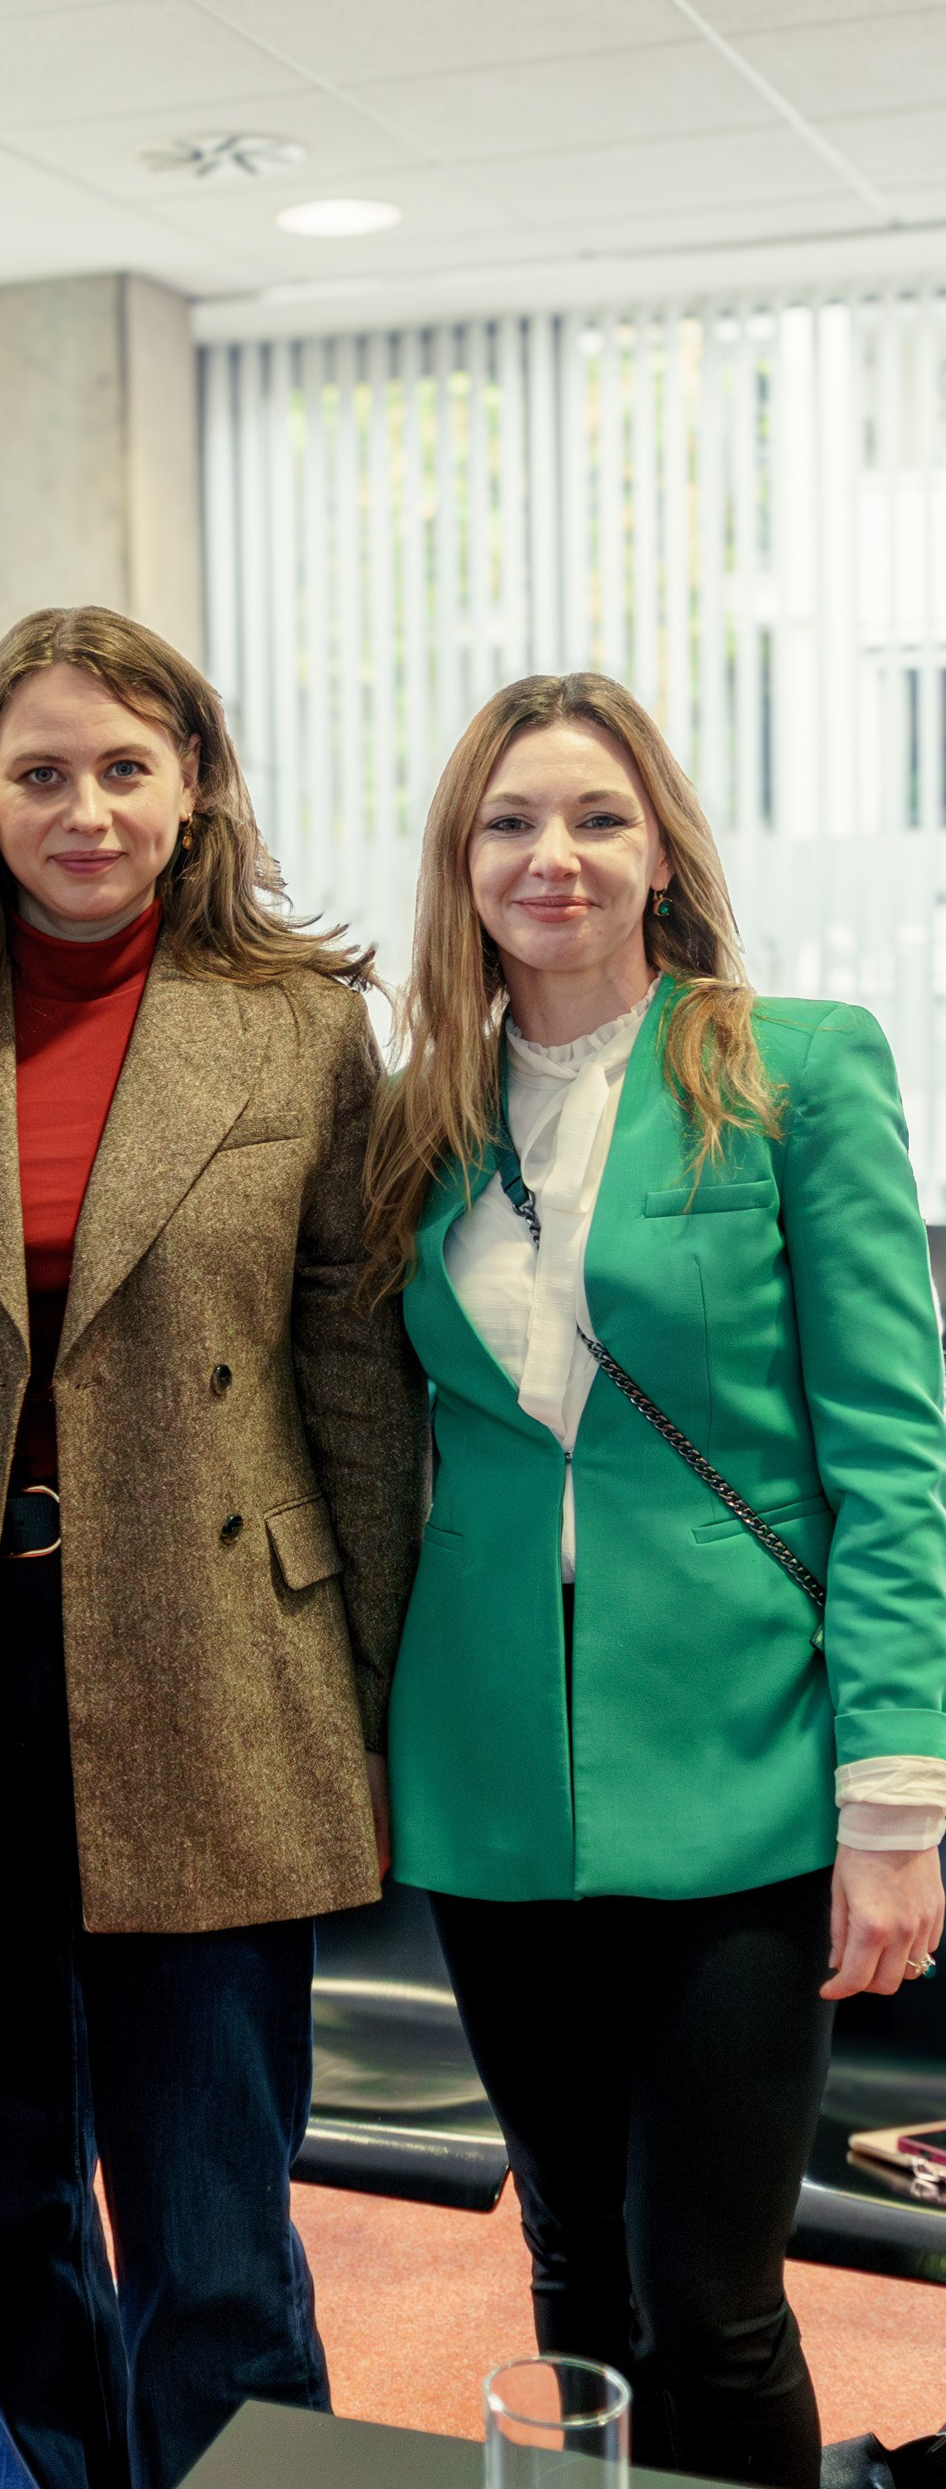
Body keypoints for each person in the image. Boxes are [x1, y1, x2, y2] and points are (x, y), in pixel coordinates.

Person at [0, 605, 426, 2489]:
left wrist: (369, 1702)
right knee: (1, 2220)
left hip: (221, 1658)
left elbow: (356, 1379)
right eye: (40, 774)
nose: (83, 810)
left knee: (213, 2227)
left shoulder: (299, 1025)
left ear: (193, 787)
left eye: (122, 768)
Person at [365, 672, 946, 2489]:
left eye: (597, 817)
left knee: (714, 2300)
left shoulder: (792, 1069)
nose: (555, 856)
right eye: (511, 823)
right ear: (462, 863)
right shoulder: (419, 1113)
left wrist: (897, 1804)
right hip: (492, 1775)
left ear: (662, 853)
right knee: (573, 2266)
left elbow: (891, 1457)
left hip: (744, 1759)